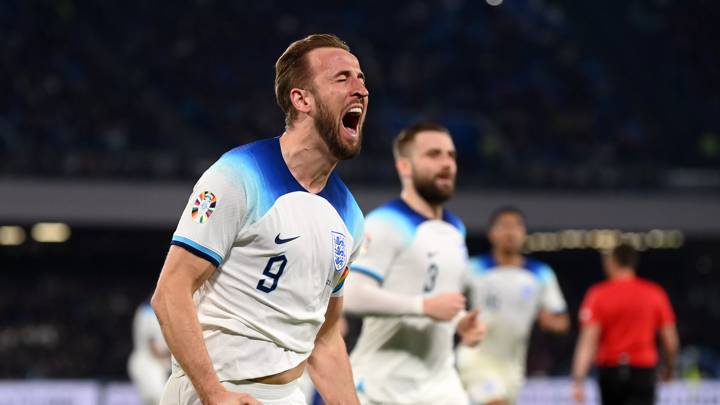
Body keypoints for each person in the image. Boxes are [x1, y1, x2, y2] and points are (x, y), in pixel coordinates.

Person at [151, 33, 369, 405]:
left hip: (288, 395)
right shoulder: (238, 175)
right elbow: (170, 292)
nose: (361, 89)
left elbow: (326, 339)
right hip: (216, 390)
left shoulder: (350, 217)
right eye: (342, 78)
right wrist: (214, 394)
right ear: (302, 99)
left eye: (361, 77)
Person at [344, 122, 486, 405]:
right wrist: (423, 307)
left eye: (450, 155)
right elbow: (351, 295)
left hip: (442, 385)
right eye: (433, 155)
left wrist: (459, 322)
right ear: (404, 167)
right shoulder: (385, 223)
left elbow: (437, 296)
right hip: (384, 388)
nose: (446, 163)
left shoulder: (455, 228)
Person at [458, 206, 570, 405]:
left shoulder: (541, 274)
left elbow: (562, 321)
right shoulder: (473, 269)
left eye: (516, 226)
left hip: (513, 366)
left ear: (524, 233)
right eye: (504, 226)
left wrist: (552, 323)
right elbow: (447, 301)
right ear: (492, 234)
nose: (510, 232)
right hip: (477, 359)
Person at [571, 243, 679, 405]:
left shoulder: (598, 295)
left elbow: (588, 340)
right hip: (643, 371)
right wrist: (669, 369)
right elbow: (670, 340)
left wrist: (578, 379)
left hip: (611, 372)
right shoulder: (655, 294)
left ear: (612, 262)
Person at [128, 299, 171, 405]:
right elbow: (153, 345)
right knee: (158, 400)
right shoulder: (148, 312)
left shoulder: (166, 313)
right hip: (147, 363)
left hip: (158, 364)